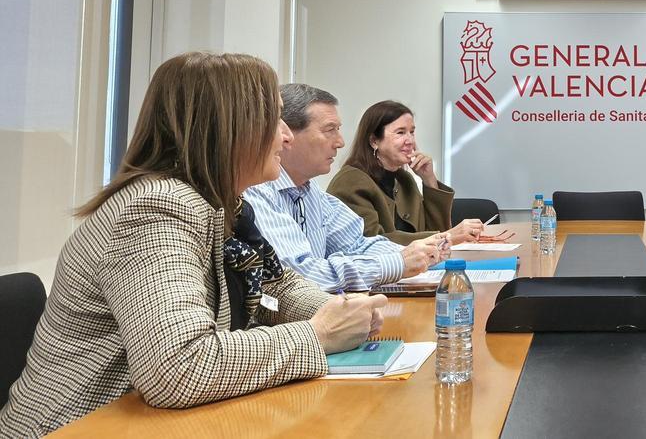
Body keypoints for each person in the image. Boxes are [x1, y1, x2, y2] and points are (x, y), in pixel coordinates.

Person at [0, 53, 387, 437]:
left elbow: (276, 286)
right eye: (275, 119)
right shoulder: (156, 208)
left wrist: (340, 313)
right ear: (229, 127)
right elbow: (179, 367)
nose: (286, 137)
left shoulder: (222, 204)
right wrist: (319, 335)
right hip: (76, 427)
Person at [244, 84, 445, 293]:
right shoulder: (256, 190)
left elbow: (357, 244)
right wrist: (399, 262)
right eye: (330, 130)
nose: (340, 142)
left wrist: (417, 253)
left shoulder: (310, 190)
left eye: (412, 132)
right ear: (287, 135)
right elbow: (298, 274)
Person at [328, 100, 483, 246]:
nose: (410, 141)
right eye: (401, 133)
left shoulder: (404, 180)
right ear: (374, 141)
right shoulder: (350, 182)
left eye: (412, 132)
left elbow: (437, 233)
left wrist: (429, 180)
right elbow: (372, 244)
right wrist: (448, 237)